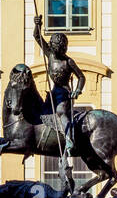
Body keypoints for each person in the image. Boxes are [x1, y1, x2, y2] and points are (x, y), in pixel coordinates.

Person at [33, 14, 86, 155]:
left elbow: (81, 77)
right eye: (54, 48)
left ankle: (69, 139)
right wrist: (37, 24)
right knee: (42, 114)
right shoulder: (49, 54)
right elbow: (37, 37)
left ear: (63, 48)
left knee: (61, 113)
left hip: (64, 93)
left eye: (59, 49)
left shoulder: (68, 62)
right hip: (53, 91)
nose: (56, 52)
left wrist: (77, 91)